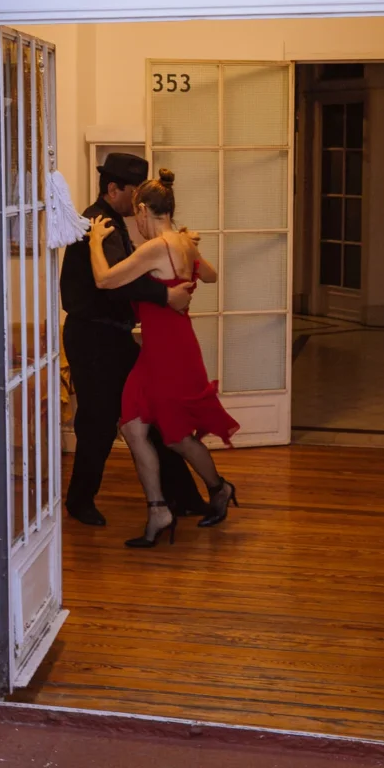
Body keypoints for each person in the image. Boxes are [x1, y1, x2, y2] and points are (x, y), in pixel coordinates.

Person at [88, 168, 240, 549]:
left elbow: (105, 280)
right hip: (162, 351)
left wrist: (94, 241)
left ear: (142, 210)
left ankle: (219, 488)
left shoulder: (156, 247)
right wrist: (190, 249)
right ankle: (159, 509)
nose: (135, 224)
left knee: (175, 437)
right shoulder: (183, 242)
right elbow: (212, 276)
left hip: (170, 353)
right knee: (135, 428)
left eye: (136, 217)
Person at [60, 153, 207, 527]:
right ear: (114, 189)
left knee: (152, 409)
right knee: (98, 419)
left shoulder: (114, 222)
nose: (139, 200)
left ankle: (183, 497)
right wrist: (165, 297)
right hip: (93, 337)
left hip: (111, 336)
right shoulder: (98, 222)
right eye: (134, 192)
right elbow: (111, 284)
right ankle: (80, 501)